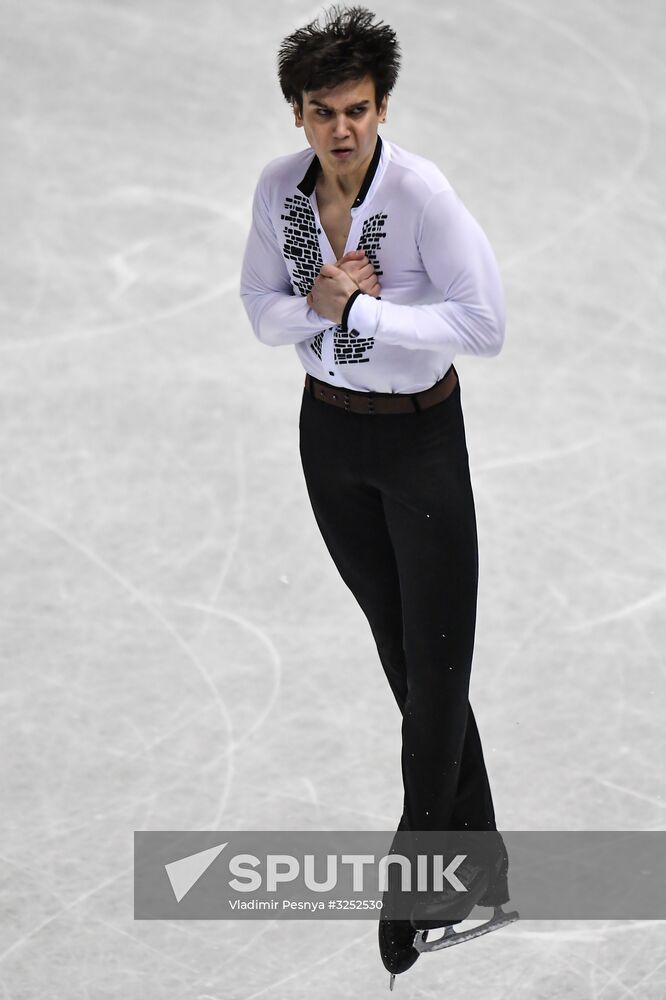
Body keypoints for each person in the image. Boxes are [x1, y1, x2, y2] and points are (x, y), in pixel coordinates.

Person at [240, 4, 515, 987]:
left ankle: (424, 879)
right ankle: (478, 856)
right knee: (407, 656)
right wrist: (313, 305)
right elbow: (261, 311)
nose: (341, 127)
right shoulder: (281, 194)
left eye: (356, 108)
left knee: (438, 669)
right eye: (322, 111)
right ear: (300, 117)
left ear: (381, 106)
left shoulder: (424, 194)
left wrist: (361, 307)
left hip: (422, 445)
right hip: (331, 442)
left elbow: (482, 327)